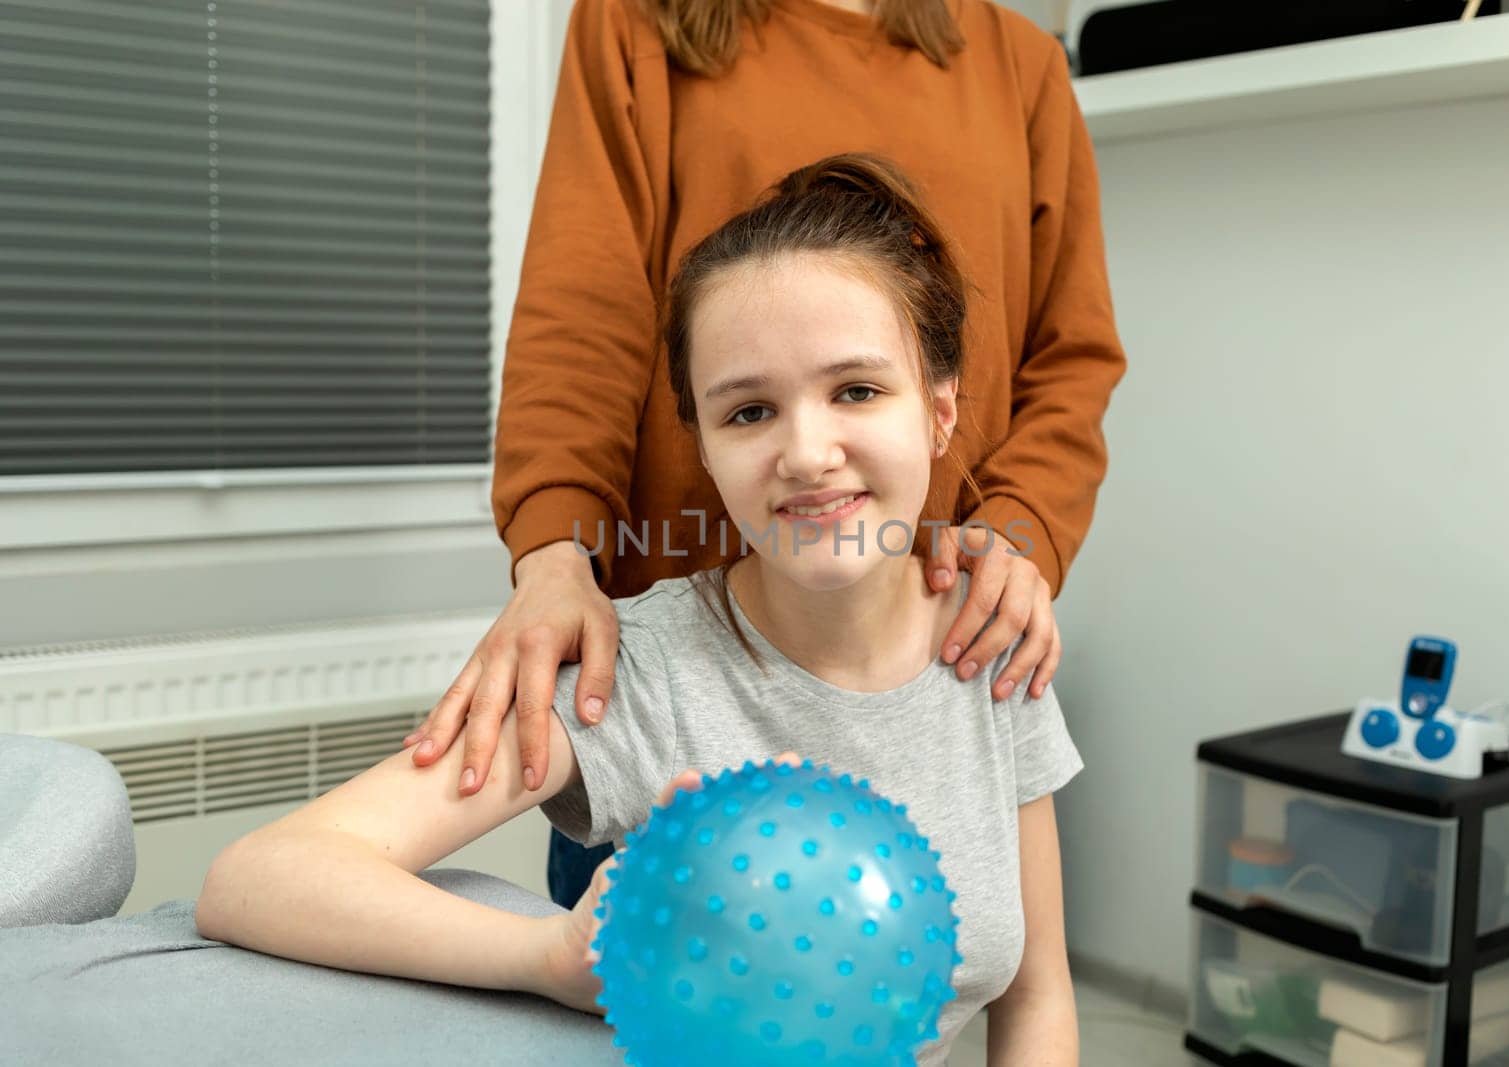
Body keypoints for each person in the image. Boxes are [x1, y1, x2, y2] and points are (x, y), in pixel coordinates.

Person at [197, 155, 1084, 1064]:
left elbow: (1037, 995)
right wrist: (543, 957)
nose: (808, 452)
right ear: (701, 443)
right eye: (749, 412)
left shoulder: (995, 643)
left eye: (856, 390)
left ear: (940, 413)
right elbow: (258, 877)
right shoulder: (642, 672)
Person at [406, 0, 1125, 910]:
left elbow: (1073, 354)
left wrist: (1019, 536)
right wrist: (554, 552)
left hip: (929, 672)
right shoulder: (637, 26)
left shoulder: (1018, 64)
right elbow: (582, 311)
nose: (810, 448)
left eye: (856, 391)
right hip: (692, 696)